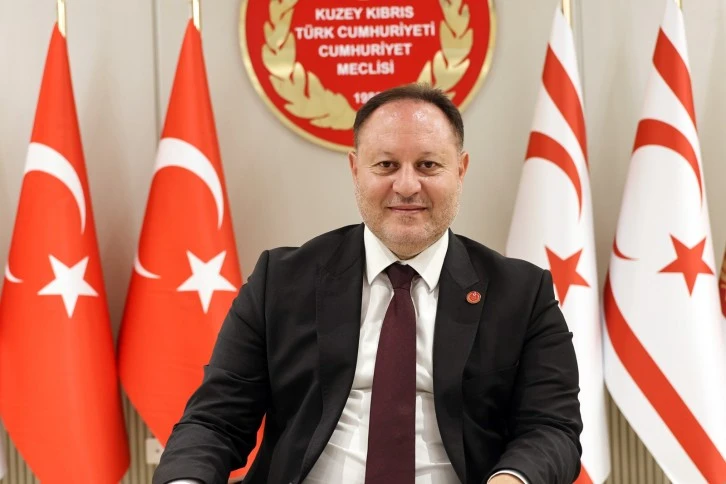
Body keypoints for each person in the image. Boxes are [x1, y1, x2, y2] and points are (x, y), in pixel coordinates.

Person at [153, 84, 582, 484]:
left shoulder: (522, 294)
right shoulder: (279, 282)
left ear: (461, 170)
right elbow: (216, 420)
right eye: (386, 165)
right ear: (356, 169)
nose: (407, 186)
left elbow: (552, 427)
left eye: (428, 165)